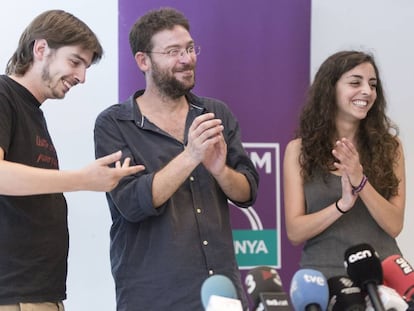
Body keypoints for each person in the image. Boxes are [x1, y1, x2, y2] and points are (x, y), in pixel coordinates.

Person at [94, 7, 259, 310]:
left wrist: (221, 171)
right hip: (153, 295)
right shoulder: (114, 124)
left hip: (221, 292)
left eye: (189, 48)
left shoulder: (215, 114)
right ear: (143, 61)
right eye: (173, 52)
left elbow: (247, 192)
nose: (187, 59)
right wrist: (191, 155)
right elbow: (131, 204)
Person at [0, 10, 145, 311]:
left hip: (38, 292)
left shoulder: (31, 111)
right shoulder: (3, 95)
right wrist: (83, 180)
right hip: (14, 295)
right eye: (75, 61)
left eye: (86, 67)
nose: (81, 77)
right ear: (40, 50)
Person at [283, 50, 406, 278]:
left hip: (384, 274)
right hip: (324, 276)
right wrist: (341, 205)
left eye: (372, 84)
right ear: (330, 89)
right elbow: (295, 232)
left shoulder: (391, 147)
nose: (367, 91)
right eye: (355, 82)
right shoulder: (298, 150)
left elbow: (394, 225)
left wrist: (361, 182)